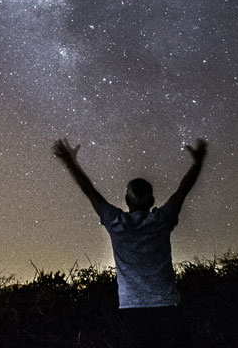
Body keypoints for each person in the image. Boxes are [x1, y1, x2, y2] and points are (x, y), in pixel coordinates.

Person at [52, 137, 208, 348]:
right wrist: (197, 162)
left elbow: (89, 190)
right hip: (167, 305)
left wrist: (70, 162)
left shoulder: (116, 222)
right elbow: (183, 189)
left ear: (126, 201)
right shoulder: (161, 220)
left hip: (132, 309)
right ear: (153, 202)